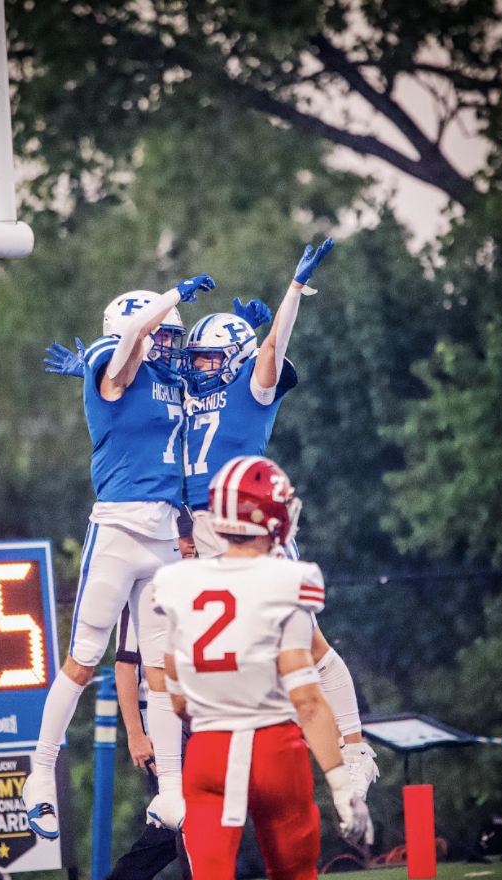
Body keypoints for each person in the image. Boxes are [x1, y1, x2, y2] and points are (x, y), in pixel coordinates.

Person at [153, 455, 369, 880]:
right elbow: (307, 696)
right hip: (274, 749)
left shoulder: (178, 582)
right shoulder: (289, 582)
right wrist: (343, 781)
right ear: (273, 517)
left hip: (209, 752)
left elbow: (169, 690)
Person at [179, 239, 379, 823]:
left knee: (306, 647)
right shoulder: (195, 400)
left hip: (248, 529)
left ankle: (352, 750)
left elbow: (273, 348)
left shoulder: (251, 388)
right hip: (202, 536)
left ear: (236, 359)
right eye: (198, 358)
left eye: (210, 358)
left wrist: (292, 292)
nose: (199, 366)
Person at [22, 275, 215, 839]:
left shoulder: (166, 380)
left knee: (161, 674)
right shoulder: (116, 363)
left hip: (163, 537)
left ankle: (171, 793)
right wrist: (172, 297)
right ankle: (38, 775)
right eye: (166, 334)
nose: (172, 345)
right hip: (118, 529)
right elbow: (128, 344)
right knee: (83, 661)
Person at [88, 507, 249, 880]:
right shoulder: (144, 582)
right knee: (194, 813)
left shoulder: (196, 583)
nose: (191, 549)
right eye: (185, 541)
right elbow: (125, 668)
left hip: (198, 714)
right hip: (163, 719)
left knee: (182, 817)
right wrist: (137, 733)